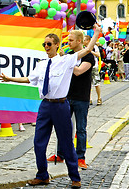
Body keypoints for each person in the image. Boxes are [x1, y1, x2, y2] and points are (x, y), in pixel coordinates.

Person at [0, 24, 101, 188]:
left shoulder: (66, 60)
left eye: (49, 44)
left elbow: (88, 49)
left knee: (66, 143)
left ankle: (75, 177)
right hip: (45, 106)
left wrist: (96, 33)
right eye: (44, 44)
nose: (46, 47)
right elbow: (28, 79)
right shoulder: (41, 64)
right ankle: (42, 175)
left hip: (60, 106)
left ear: (56, 45)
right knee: (39, 141)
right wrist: (9, 78)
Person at [47, 30, 94, 170]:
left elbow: (78, 71)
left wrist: (67, 61)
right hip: (67, 96)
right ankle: (60, 154)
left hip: (81, 98)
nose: (68, 43)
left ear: (79, 41)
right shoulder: (68, 55)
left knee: (80, 129)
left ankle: (80, 157)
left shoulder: (88, 57)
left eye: (71, 40)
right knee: (63, 126)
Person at [84, 36, 102, 105]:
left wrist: (90, 51)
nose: (83, 41)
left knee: (96, 83)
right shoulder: (83, 48)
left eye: (85, 40)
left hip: (94, 67)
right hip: (86, 67)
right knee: (88, 83)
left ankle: (99, 98)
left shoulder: (94, 47)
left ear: (88, 40)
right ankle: (89, 99)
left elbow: (98, 55)